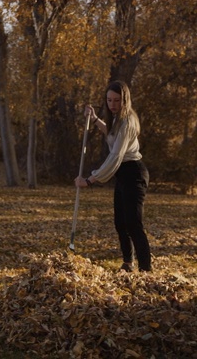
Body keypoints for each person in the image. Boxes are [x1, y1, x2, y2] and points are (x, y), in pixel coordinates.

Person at [74, 80, 151, 272]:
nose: (112, 104)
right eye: (109, 100)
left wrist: (90, 180)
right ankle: (128, 263)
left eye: (117, 100)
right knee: (120, 223)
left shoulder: (128, 121)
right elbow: (110, 134)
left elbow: (116, 155)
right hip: (123, 175)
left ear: (125, 99)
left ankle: (146, 270)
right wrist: (94, 119)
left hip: (134, 173)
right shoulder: (117, 119)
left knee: (133, 224)